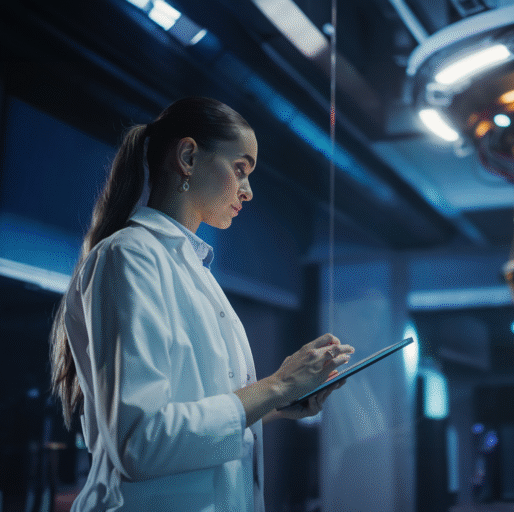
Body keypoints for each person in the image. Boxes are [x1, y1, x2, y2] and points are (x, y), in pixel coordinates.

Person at [49, 97, 354, 511]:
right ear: (188, 157)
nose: (248, 191)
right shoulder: (129, 255)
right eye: (240, 169)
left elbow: (195, 413)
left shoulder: (193, 270)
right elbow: (140, 442)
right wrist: (277, 385)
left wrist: (277, 403)